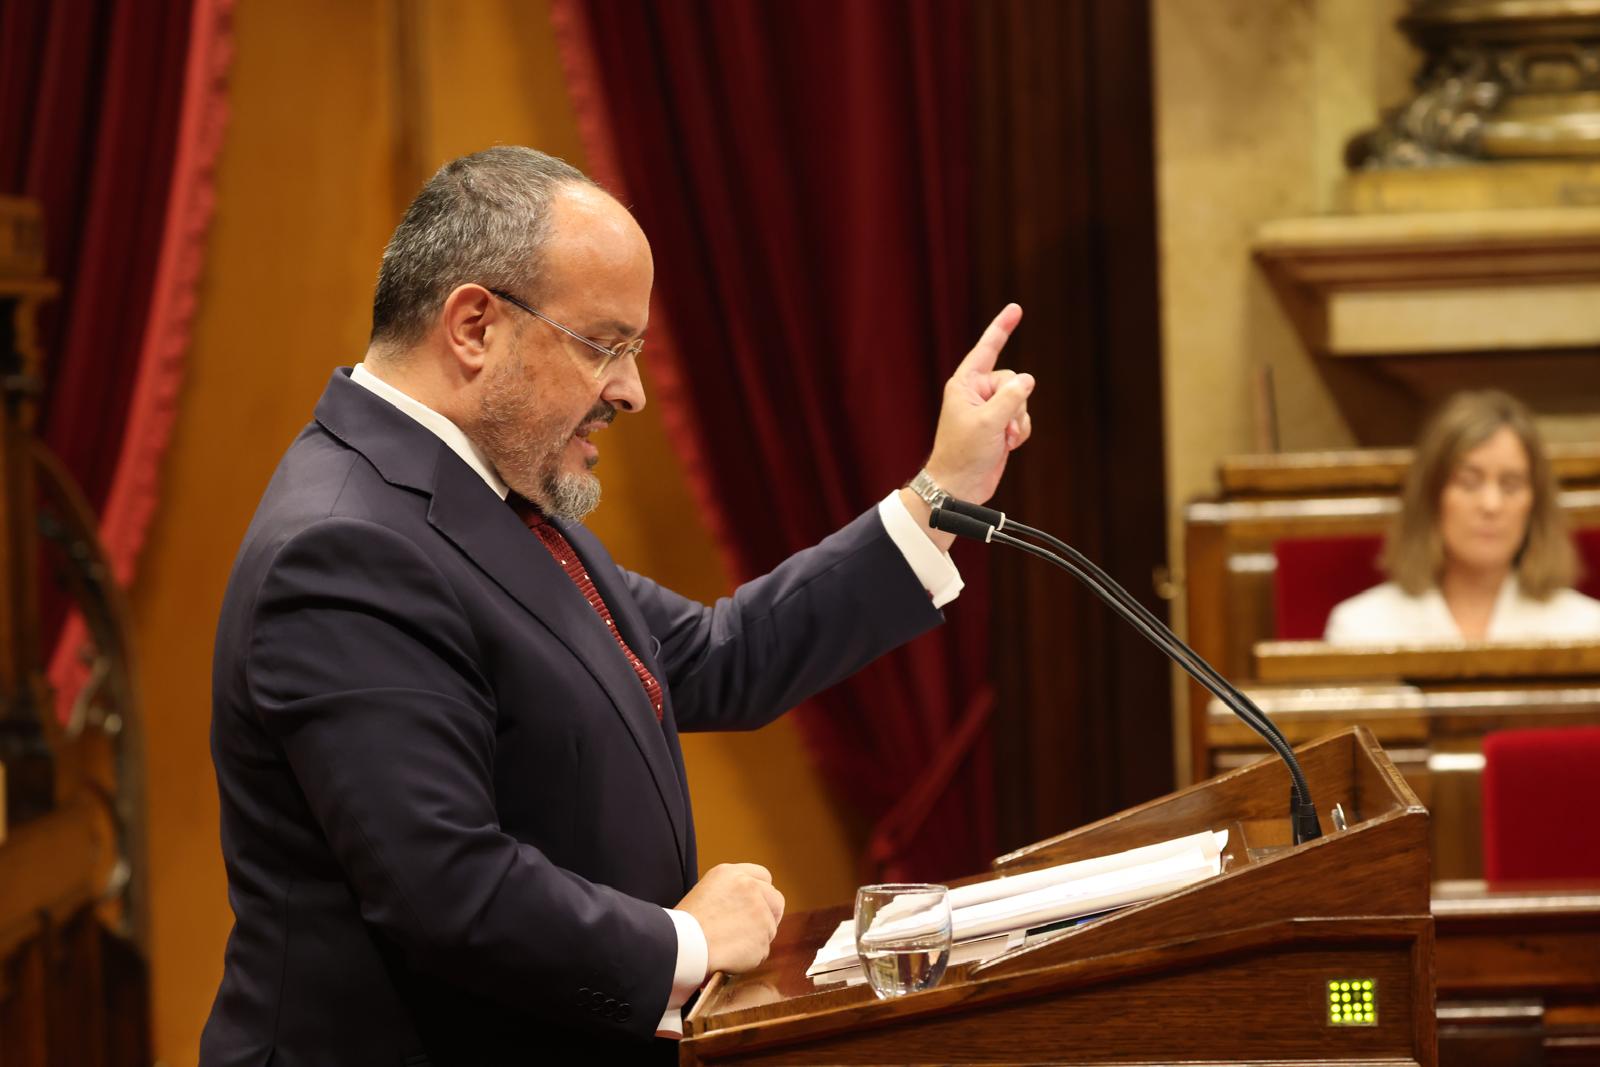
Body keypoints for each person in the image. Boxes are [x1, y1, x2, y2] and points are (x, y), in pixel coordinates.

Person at [199, 147, 1035, 1065]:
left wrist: (938, 497)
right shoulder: (344, 546)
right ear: (474, 326)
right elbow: (446, 886)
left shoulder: (486, 495)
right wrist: (687, 942)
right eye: (606, 344)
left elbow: (717, 654)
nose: (630, 390)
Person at [1324, 389, 1600, 645]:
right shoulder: (1361, 629)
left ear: (1534, 505)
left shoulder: (1586, 630)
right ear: (1432, 496)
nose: (1491, 505)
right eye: (1468, 483)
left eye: (1511, 485)